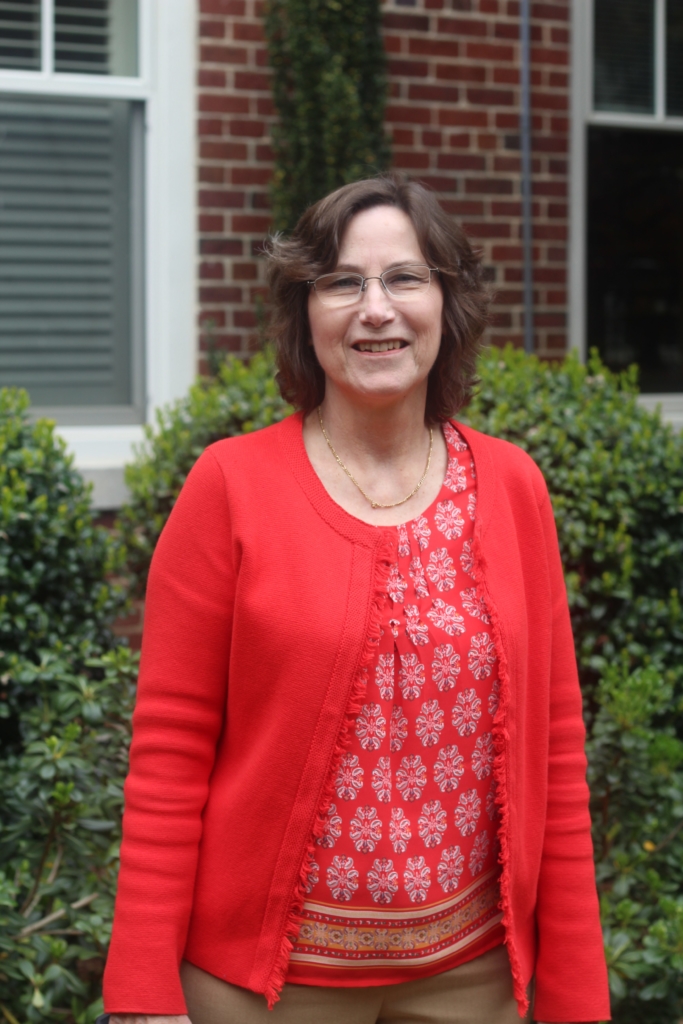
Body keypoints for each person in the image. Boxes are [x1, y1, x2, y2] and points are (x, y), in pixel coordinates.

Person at [103, 174, 610, 1024]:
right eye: (342, 282)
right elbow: (169, 753)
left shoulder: (513, 487)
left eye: (405, 278)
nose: (376, 309)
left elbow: (556, 753)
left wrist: (576, 996)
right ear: (305, 313)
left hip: (474, 982)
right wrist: (142, 991)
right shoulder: (229, 486)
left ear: (446, 304)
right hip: (264, 991)